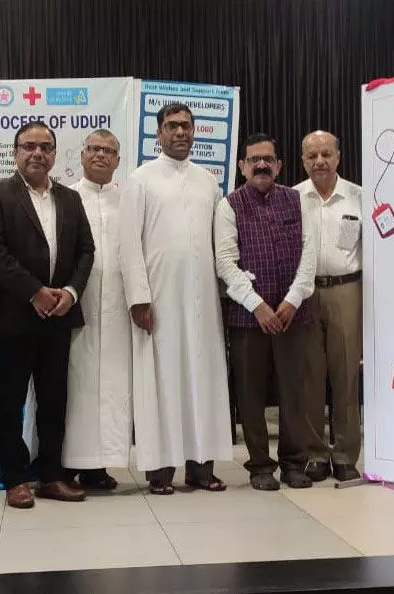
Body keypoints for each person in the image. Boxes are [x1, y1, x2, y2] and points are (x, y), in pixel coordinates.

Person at [0, 122, 95, 509]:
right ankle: (14, 479)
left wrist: (70, 292)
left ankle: (51, 476)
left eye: (45, 147)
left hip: (59, 314)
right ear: (15, 152)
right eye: (29, 146)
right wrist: (35, 292)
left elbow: (86, 251)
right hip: (15, 315)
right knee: (11, 401)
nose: (37, 153)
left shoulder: (70, 198)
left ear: (55, 154)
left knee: (54, 399)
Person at [120, 103, 233, 495]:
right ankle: (161, 470)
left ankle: (201, 468)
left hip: (204, 301)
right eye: (172, 126)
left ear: (194, 131)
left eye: (186, 125)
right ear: (159, 133)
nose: (180, 132)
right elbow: (128, 243)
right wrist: (138, 298)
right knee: (163, 381)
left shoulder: (208, 182)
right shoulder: (140, 179)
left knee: (204, 379)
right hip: (159, 299)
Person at [217, 133, 318, 490]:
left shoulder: (298, 200)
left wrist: (293, 300)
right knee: (250, 394)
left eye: (268, 159)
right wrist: (258, 306)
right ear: (242, 166)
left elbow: (310, 253)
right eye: (254, 160)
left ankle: (294, 463)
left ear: (279, 165)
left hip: (293, 314)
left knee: (294, 392)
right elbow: (225, 262)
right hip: (248, 318)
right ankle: (260, 465)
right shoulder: (229, 205)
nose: (261, 165)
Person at [62, 129, 131, 490]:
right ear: (82, 155)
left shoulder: (129, 201)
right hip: (77, 305)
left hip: (118, 307)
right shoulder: (66, 197)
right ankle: (63, 464)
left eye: (108, 151)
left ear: (118, 160)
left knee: (111, 387)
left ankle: (98, 465)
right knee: (75, 386)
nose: (101, 155)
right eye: (94, 149)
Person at [295, 130, 364, 483]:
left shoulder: (360, 197)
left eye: (326, 154)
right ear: (303, 161)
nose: (319, 161)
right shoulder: (292, 198)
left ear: (338, 157)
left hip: (346, 290)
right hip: (304, 294)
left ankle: (346, 454)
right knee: (310, 376)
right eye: (312, 156)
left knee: (346, 376)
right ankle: (315, 453)